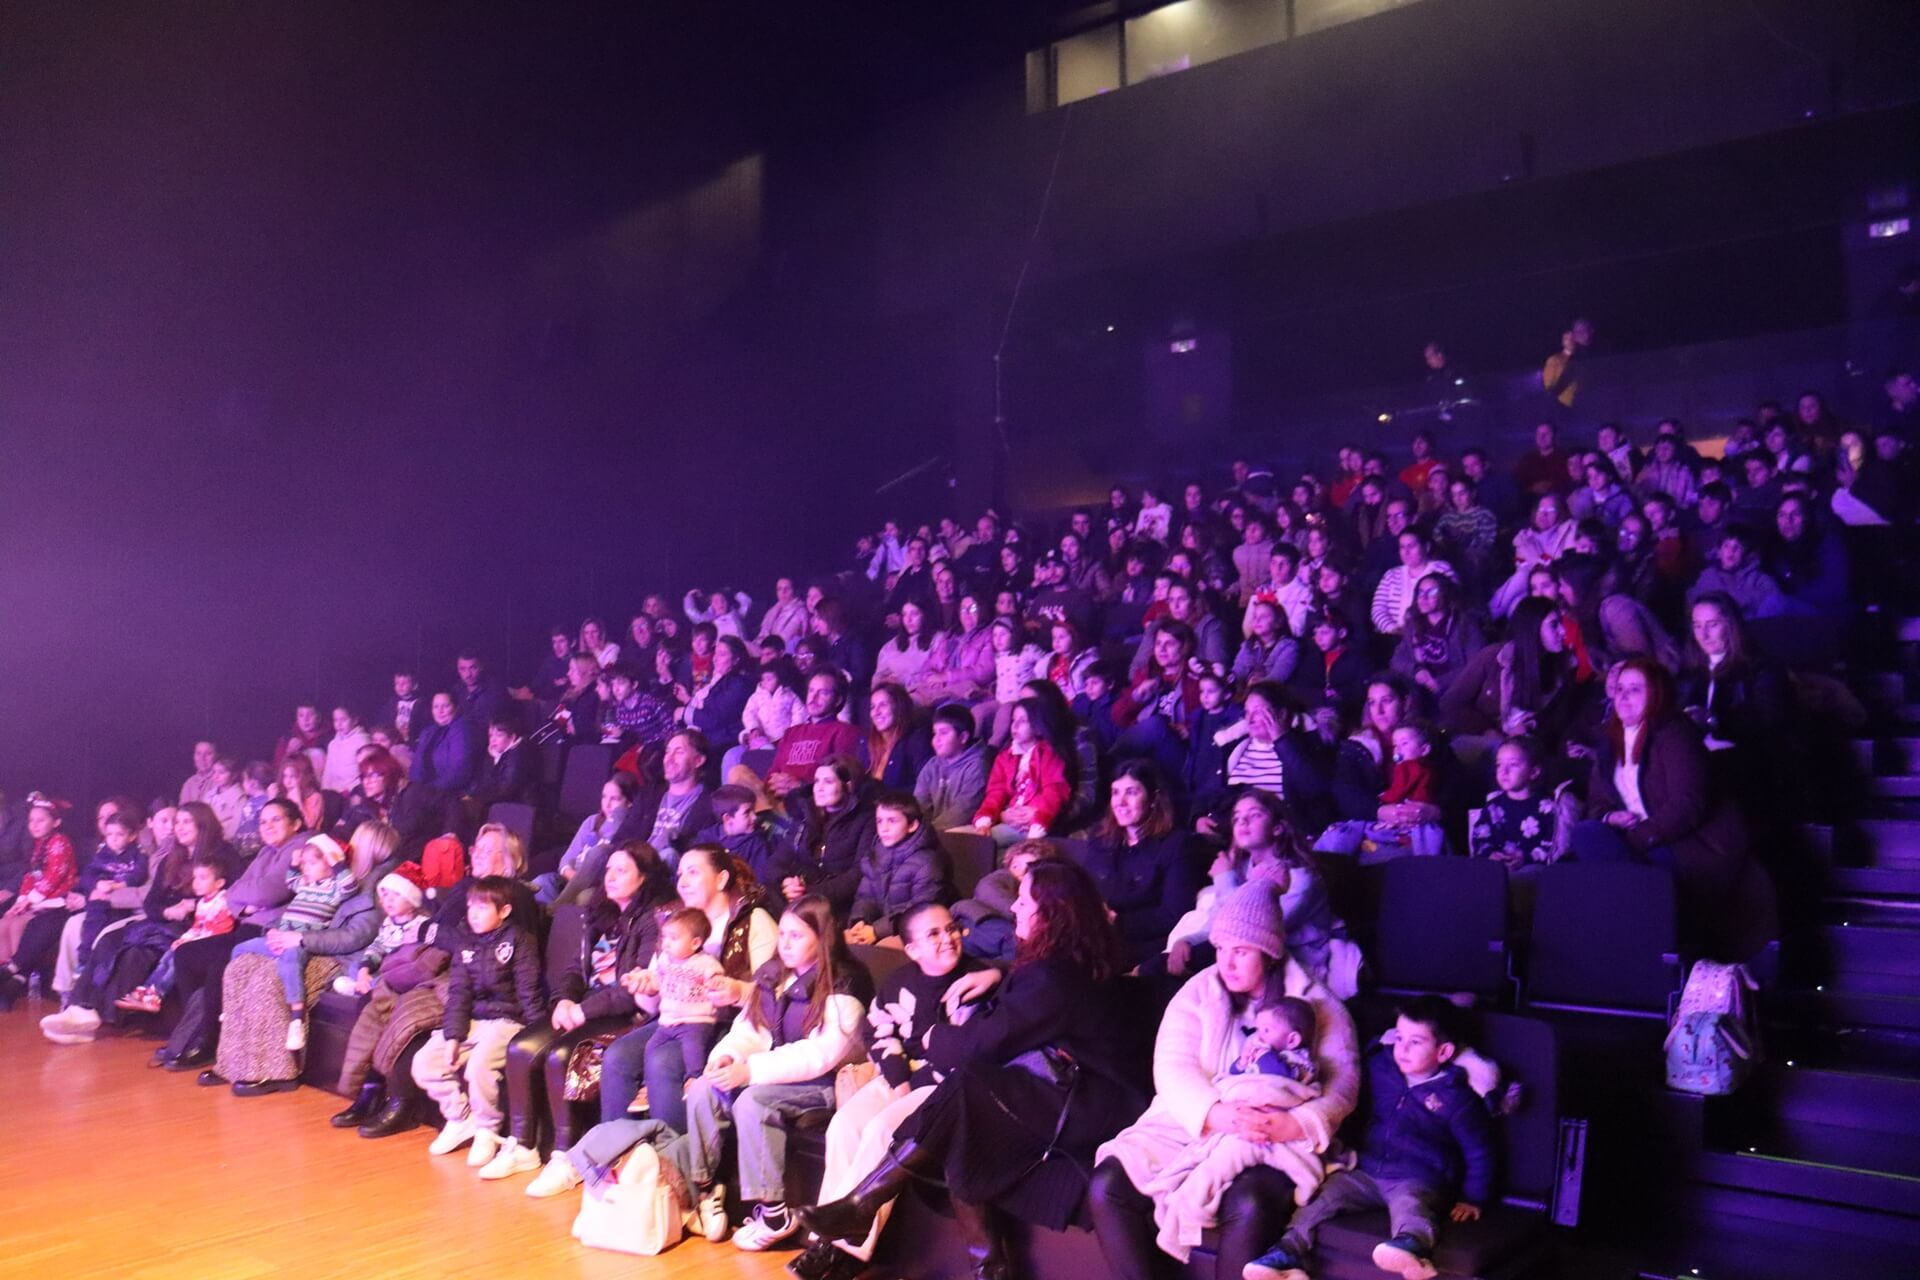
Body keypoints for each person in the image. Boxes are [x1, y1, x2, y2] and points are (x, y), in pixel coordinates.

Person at [797, 861, 1146, 1279]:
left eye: (1024, 901)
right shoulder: (1069, 959)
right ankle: (976, 1263)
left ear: (1050, 914)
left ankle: (868, 1207)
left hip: (1090, 1105)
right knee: (962, 1110)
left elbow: (983, 1043)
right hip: (1070, 1089)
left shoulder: (1054, 975)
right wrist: (998, 972)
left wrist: (934, 1037)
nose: (1013, 907)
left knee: (966, 1095)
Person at [1091, 879, 1360, 1280]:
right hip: (1192, 1125)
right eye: (1220, 949)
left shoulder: (1315, 1002)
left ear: (1269, 952)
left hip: (1273, 1136)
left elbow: (1343, 1084)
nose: (1226, 963)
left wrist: (1294, 1123)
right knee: (1108, 1184)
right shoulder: (1197, 993)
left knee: (1249, 1201)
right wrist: (1217, 1114)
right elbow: (1171, 1066)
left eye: (1241, 952)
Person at [788, 902, 1000, 1279]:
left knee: (881, 1131)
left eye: (951, 929)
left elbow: (969, 1051)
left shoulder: (978, 980)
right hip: (900, 1078)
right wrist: (898, 1078)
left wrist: (911, 1085)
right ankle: (830, 1242)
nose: (947, 938)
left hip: (946, 1088)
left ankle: (843, 1252)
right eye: (933, 934)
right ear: (912, 949)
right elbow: (878, 1032)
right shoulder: (900, 982)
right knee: (844, 1126)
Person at [1245, 996, 1495, 1280]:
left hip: (1417, 1177)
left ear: (1443, 1051)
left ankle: (1411, 1247)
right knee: (1322, 1198)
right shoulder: (1380, 1066)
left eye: (1415, 1042)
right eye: (1399, 1038)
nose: (1402, 1049)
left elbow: (1479, 1151)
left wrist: (1473, 1198)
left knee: (1411, 1205)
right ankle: (1287, 1254)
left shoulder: (1456, 1098)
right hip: (1365, 1170)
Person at [1570, 658, 1776, 959]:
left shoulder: (1674, 733)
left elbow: (1687, 805)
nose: (1623, 697)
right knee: (1586, 833)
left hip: (1684, 842)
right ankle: (1637, 917)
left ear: (1655, 693)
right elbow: (1596, 803)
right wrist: (1609, 817)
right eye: (1620, 689)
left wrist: (1639, 837)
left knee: (1629, 869)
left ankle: (1638, 928)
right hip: (1632, 840)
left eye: (1635, 689)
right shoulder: (1609, 741)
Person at [594, 845, 778, 1136]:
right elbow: (653, 1003)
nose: (682, 881)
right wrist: (646, 988)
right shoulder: (674, 921)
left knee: (662, 1061)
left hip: (726, 1024)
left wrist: (738, 990)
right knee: (617, 1056)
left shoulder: (752, 921)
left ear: (721, 879)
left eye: (693, 872)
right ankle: (617, 1150)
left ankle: (674, 1155)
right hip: (673, 1018)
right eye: (680, 874)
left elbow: (773, 994)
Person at [1143, 994, 1328, 1264]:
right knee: (1195, 1163)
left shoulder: (1298, 1062)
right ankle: (1184, 1217)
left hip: (1266, 1133)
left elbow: (1282, 1082)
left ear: (1292, 1040)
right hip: (1239, 1124)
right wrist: (1241, 1064)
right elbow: (1236, 1076)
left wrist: (1262, 1056)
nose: (1258, 1037)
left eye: (1266, 1031)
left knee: (1212, 1171)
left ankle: (1181, 1227)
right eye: (1258, 1030)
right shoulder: (1267, 1055)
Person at [416, 875, 549, 1169]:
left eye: (482, 907)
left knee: (479, 1066)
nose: (473, 914)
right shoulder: (466, 944)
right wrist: (453, 1036)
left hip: (507, 1020)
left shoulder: (520, 940)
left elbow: (529, 992)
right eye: (470, 907)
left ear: (504, 911)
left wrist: (539, 1034)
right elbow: (459, 994)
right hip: (475, 1020)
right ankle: (461, 1118)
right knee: (425, 1062)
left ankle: (487, 1130)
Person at [220, 834, 358, 1047]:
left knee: (291, 963)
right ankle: (233, 1005)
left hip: (298, 941)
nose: (306, 868)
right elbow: (291, 881)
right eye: (305, 864)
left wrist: (336, 863)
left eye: (312, 863)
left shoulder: (334, 889)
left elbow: (350, 886)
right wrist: (294, 863)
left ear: (330, 864)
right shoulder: (305, 884)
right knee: (239, 949)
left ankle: (296, 1018)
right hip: (279, 936)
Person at [1071, 761, 1204, 973]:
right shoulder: (1100, 837)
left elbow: (1174, 913)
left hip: (1142, 944)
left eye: (1131, 792)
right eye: (1115, 792)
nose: (1120, 802)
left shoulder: (1176, 844)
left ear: (1153, 798)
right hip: (1096, 932)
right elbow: (1084, 887)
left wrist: (1117, 921)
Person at [110, 851, 234, 1014]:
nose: (196, 883)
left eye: (203, 878)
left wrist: (192, 941)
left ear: (219, 883)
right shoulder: (203, 903)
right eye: (195, 878)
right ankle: (148, 991)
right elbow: (197, 927)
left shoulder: (223, 901)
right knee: (169, 954)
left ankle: (156, 994)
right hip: (200, 940)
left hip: (214, 943)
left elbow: (218, 929)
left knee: (177, 958)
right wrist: (184, 938)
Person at [0, 792, 78, 1001]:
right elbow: (30, 877)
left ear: (56, 822)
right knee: (6, 922)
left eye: (40, 820)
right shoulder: (38, 846)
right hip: (37, 900)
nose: (34, 825)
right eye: (31, 820)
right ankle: (5, 979)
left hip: (56, 901)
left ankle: (17, 978)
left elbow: (54, 876)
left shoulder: (60, 842)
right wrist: (20, 901)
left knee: (19, 925)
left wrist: (29, 899)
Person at [772, 757, 873, 917]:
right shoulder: (805, 816)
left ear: (848, 785)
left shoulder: (865, 820)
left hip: (836, 904)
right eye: (817, 781)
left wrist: (809, 893)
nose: (819, 788)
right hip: (800, 895)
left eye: (828, 782)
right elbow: (778, 860)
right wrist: (786, 882)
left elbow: (857, 875)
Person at [845, 792, 947, 945]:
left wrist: (877, 931)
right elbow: (866, 897)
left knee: (882, 948)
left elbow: (920, 909)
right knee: (843, 940)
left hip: (916, 931)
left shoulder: (927, 862)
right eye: (879, 821)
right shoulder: (875, 855)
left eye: (892, 821)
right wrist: (860, 920)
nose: (883, 828)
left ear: (912, 825)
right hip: (881, 926)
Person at [971, 697, 1073, 845]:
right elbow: (996, 792)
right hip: (1010, 819)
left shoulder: (1049, 754)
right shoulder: (1005, 757)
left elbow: (1053, 792)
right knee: (959, 836)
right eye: (1013, 720)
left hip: (1034, 823)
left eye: (1023, 721)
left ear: (1038, 727)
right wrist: (985, 820)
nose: (1015, 725)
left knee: (974, 843)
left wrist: (1038, 820)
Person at [1391, 573, 1484, 704]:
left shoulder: (1465, 625)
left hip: (1455, 691)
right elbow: (1398, 659)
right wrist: (1416, 671)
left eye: (1431, 592)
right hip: (1420, 691)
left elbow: (1476, 666)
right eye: (1420, 592)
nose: (1423, 598)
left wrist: (1441, 682)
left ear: (1445, 594)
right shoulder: (1414, 623)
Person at [914, 703, 990, 832]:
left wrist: (928, 832)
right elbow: (919, 803)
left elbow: (964, 811)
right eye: (934, 733)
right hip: (931, 831)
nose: (936, 740)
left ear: (963, 737)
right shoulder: (932, 765)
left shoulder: (976, 766)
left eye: (943, 733)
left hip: (961, 831)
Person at [179, 740, 219, 806]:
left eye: (208, 754)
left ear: (216, 756)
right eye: (198, 753)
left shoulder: (220, 781)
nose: (202, 758)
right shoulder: (189, 783)